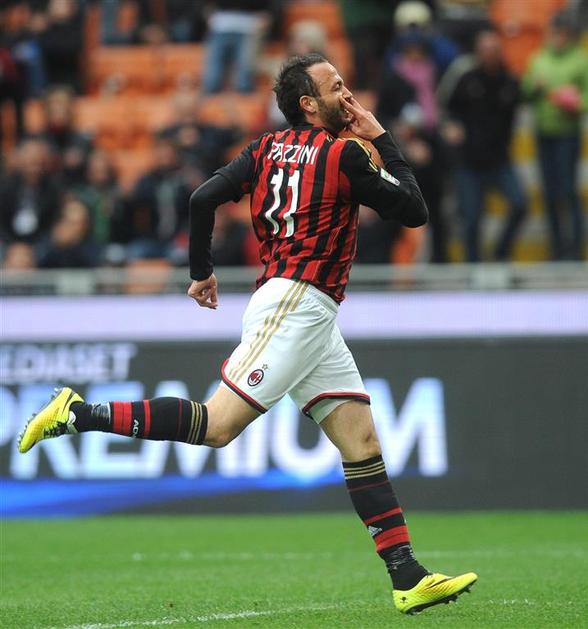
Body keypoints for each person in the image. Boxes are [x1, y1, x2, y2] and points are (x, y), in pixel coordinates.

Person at [17, 53, 477, 616]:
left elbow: (202, 198)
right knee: (217, 427)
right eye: (335, 87)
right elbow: (415, 211)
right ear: (309, 104)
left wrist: (200, 272)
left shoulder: (263, 149)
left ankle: (408, 576)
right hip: (297, 304)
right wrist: (382, 138)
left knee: (362, 444)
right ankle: (78, 414)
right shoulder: (346, 153)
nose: (348, 95)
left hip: (306, 310)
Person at [446, 30, 526, 262]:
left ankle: (500, 253)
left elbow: (523, 101)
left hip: (499, 159)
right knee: (471, 219)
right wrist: (452, 125)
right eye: (484, 50)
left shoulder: (510, 82)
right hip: (469, 161)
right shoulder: (467, 79)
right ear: (477, 53)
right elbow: (450, 109)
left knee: (520, 205)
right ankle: (473, 266)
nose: (489, 55)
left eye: (493, 50)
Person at [522, 11, 587, 260]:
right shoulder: (539, 58)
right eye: (554, 33)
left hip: (567, 133)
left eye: (562, 34)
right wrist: (534, 87)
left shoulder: (580, 60)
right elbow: (526, 91)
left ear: (569, 35)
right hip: (543, 133)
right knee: (549, 193)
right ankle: (557, 249)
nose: (557, 38)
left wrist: (575, 103)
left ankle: (575, 249)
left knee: (568, 191)